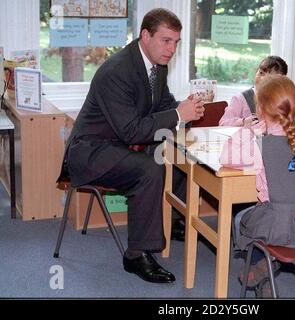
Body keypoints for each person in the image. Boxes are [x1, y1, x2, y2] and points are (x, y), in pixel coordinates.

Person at [57, 8, 205, 284]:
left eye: (176, 42)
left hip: (121, 145)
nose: (171, 49)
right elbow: (131, 130)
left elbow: (161, 105)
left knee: (181, 157)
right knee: (149, 168)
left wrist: (183, 108)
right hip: (91, 151)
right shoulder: (117, 71)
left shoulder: (156, 65)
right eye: (166, 41)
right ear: (145, 35)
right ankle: (136, 254)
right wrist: (177, 115)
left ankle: (170, 222)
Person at [219, 74, 295, 296]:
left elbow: (226, 156)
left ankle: (262, 268)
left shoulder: (260, 146)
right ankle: (265, 270)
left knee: (241, 219)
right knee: (267, 218)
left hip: (274, 230)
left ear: (260, 110)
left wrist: (250, 129)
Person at [219, 55, 295, 127]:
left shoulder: (282, 100)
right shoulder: (240, 99)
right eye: (261, 73)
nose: (263, 80)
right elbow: (223, 123)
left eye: (270, 78)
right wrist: (243, 122)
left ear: (281, 81)